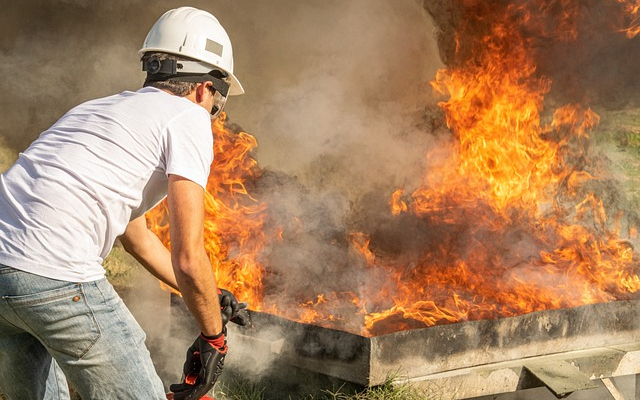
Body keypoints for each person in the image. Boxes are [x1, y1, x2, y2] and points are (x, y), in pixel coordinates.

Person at [0, 6, 247, 400]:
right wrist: (214, 338)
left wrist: (208, 296)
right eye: (218, 102)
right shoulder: (188, 118)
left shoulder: (99, 110)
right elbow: (188, 257)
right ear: (204, 88)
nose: (214, 114)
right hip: (56, 271)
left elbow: (139, 240)